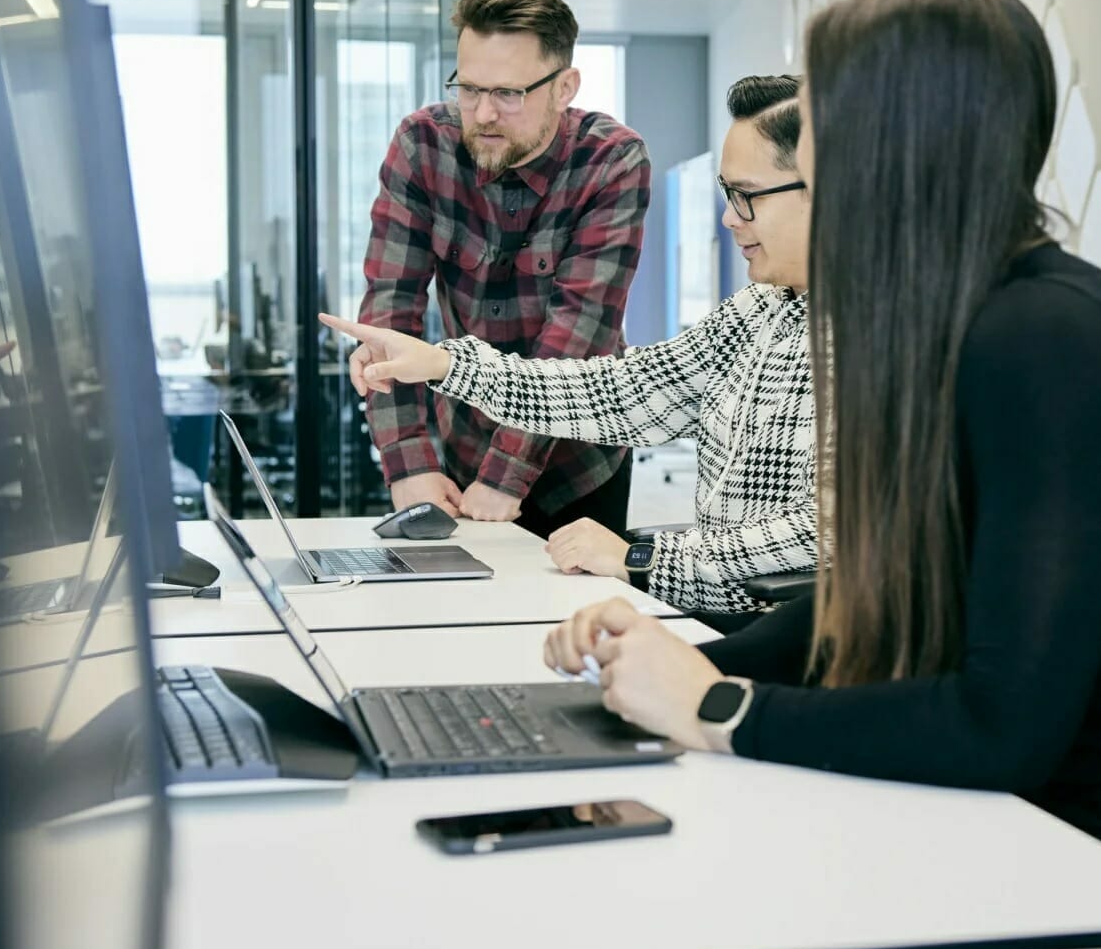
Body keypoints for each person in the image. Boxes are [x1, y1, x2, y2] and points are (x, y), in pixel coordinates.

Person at [536, 0, 1101, 885]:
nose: (801, 158)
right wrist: (678, 665)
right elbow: (881, 591)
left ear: (892, 151)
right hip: (976, 811)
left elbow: (1001, 728)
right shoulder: (958, 325)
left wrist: (719, 705)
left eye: (816, 128)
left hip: (1083, 859)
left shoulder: (1050, 343)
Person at [323, 76, 815, 614]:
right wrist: (442, 364)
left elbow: (825, 533)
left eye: (745, 196)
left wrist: (644, 559)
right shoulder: (762, 310)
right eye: (727, 195)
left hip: (795, 644)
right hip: (717, 617)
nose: (728, 218)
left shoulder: (892, 342)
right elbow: (620, 392)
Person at [353, 0, 651, 537]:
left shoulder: (611, 161)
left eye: (508, 94)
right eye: (468, 89)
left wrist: (506, 476)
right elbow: (389, 316)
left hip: (578, 459)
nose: (483, 114)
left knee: (572, 622)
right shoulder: (423, 146)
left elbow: (575, 336)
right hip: (461, 445)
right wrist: (409, 463)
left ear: (564, 88)